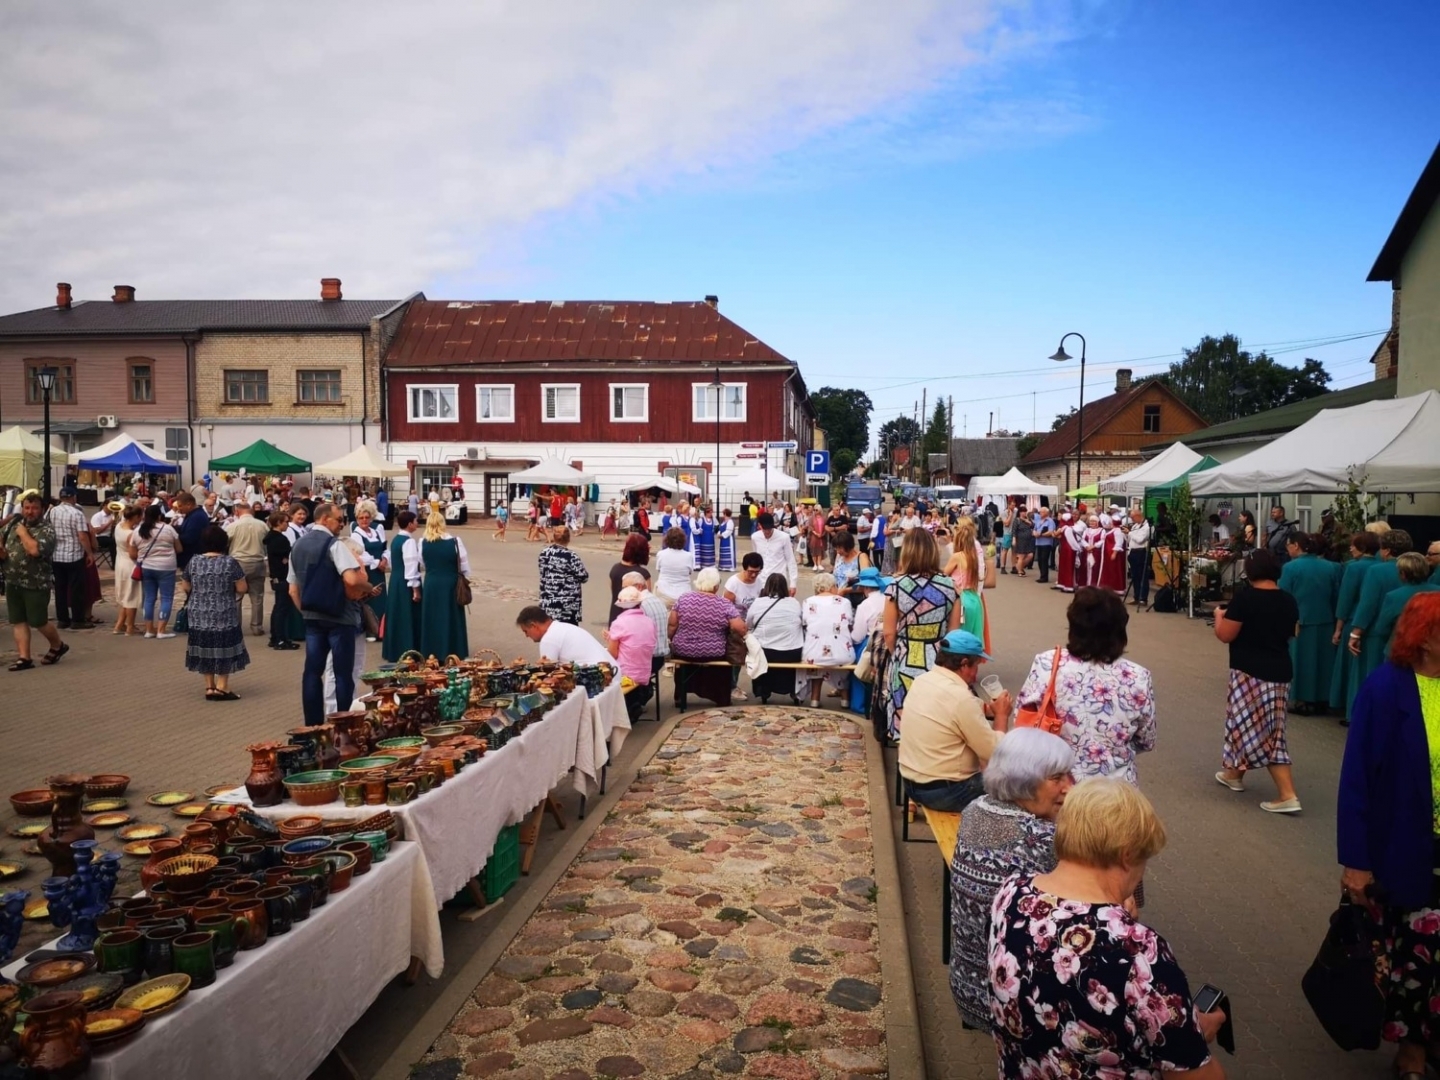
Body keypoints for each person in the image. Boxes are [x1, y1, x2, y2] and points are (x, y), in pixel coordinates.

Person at [988, 779, 1227, 1078]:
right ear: (1127, 855)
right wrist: (1193, 1035)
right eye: (1144, 860)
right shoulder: (1140, 952)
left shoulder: (1011, 893)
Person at [1338, 593, 1440, 1079]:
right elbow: (1357, 780)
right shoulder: (1386, 689)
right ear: (1425, 638)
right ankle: (1412, 1050)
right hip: (1407, 846)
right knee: (1415, 956)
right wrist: (1355, 860)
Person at [948, 728, 1075, 1029]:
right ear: (1025, 781)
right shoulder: (1045, 839)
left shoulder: (973, 809)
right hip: (1011, 1007)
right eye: (1057, 779)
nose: (1068, 788)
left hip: (966, 986)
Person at [1017, 587, 1156, 785]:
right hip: (1115, 789)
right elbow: (1146, 739)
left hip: (1056, 787)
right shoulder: (1138, 676)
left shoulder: (1047, 663)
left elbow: (1022, 717)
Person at [1213, 549, 1302, 812]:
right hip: (1280, 669)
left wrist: (1219, 617)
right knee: (1245, 722)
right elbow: (1291, 633)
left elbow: (1226, 635)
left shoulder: (1245, 599)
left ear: (1250, 571)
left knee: (1265, 730)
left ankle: (1287, 794)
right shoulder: (1288, 600)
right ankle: (1233, 774)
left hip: (1249, 671)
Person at [898, 628, 1011, 812]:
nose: (976, 672)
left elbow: (953, 706)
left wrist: (986, 709)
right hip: (945, 792)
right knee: (1016, 782)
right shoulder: (960, 697)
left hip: (912, 783)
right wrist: (1001, 716)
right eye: (976, 666)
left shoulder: (923, 680)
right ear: (964, 664)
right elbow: (994, 754)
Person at [289, 502, 370, 725]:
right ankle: (343, 725)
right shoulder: (334, 545)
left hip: (313, 618)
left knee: (312, 672)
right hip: (339, 617)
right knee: (343, 673)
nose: (341, 524)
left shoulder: (297, 545)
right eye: (338, 520)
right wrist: (368, 587)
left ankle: (313, 726)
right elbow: (352, 579)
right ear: (325, 519)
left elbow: (293, 589)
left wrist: (305, 612)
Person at [882, 527, 962, 741]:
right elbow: (954, 633)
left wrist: (897, 653)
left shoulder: (896, 586)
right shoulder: (950, 586)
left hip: (906, 657)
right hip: (938, 659)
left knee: (906, 721)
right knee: (936, 723)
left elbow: (889, 633)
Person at [1347, 529, 1417, 714]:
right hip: (1410, 632)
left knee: (1371, 675)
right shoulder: (1419, 568)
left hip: (1376, 633)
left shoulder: (1376, 571)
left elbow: (1367, 603)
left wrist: (1356, 632)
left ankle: (1365, 714)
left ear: (1385, 550)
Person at [181, 524, 249, 701]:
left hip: (198, 614)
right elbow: (242, 587)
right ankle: (222, 686)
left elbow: (186, 586)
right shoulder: (230, 562)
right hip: (223, 612)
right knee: (224, 648)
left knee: (205, 648)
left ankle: (209, 686)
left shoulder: (194, 561)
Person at [1, 493, 68, 669]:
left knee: (38, 621)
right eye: (27, 508)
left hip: (36, 583)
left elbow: (35, 551)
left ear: (42, 510)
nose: (30, 512)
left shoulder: (47, 530)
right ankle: (24, 658)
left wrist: (23, 533)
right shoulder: (13, 524)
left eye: (34, 508)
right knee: (18, 620)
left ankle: (58, 645)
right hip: (13, 581)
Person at [1277, 531, 1340, 715]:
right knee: (1323, 661)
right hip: (1325, 618)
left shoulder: (1291, 568)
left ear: (1295, 545)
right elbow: (1336, 595)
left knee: (1301, 661)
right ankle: (1323, 697)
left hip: (1300, 620)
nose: (1287, 550)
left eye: (1288, 546)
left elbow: (1284, 595)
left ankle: (1302, 699)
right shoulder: (1331, 567)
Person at [668, 567, 746, 707]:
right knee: (723, 663)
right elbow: (739, 628)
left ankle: (680, 695)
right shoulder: (724, 604)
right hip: (713, 652)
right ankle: (721, 698)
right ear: (716, 586)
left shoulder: (684, 599)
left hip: (684, 650)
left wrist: (670, 639)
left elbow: (672, 624)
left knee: (681, 664)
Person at [1327, 531, 1380, 721]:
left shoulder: (1353, 568)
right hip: (1376, 623)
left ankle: (1350, 710)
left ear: (1362, 548)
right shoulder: (1382, 566)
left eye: (1354, 545)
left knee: (1352, 671)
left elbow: (1345, 599)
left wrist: (1338, 627)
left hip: (1353, 620)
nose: (1350, 548)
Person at [415, 509, 470, 660]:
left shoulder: (422, 542)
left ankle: (432, 651)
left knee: (433, 617)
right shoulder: (454, 542)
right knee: (451, 616)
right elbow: (464, 566)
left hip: (432, 583)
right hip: (451, 583)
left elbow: (421, 563)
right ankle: (455, 649)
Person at [745, 572, 805, 705]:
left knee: (756, 648)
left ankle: (763, 690)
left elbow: (748, 624)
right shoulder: (794, 602)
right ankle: (793, 690)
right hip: (792, 652)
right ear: (785, 587)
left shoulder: (758, 602)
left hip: (766, 652)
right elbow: (802, 621)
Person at [798, 573, 854, 706]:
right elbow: (850, 624)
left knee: (816, 651)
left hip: (814, 655)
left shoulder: (808, 601)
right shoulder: (844, 602)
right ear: (832, 586)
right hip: (843, 655)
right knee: (840, 649)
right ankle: (845, 699)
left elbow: (805, 623)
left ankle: (815, 699)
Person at [130, 502, 183, 639]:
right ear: (159, 516)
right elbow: (179, 549)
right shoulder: (168, 529)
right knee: (166, 598)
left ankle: (149, 630)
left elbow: (132, 553)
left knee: (149, 598)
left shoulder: (138, 531)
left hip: (147, 567)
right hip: (166, 567)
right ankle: (161, 630)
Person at [606, 586, 658, 719]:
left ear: (622, 606)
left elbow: (613, 654)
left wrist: (609, 640)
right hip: (645, 671)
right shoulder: (649, 621)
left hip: (625, 674)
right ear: (640, 603)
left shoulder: (619, 623)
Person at [45, 485, 93, 630]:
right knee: (76, 589)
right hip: (74, 555)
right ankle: (78, 620)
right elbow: (82, 536)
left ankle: (62, 619)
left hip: (57, 555)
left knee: (60, 588)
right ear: (73, 497)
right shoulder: (76, 513)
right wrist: (89, 553)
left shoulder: (53, 511)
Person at [1372, 552, 1438, 658]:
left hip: (1402, 651)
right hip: (1432, 652)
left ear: (1403, 574)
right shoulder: (1437, 592)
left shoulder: (1394, 597)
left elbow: (1382, 629)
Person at [225, 500, 270, 638]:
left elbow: (225, 543)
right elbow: (267, 543)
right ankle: (257, 626)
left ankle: (236, 626)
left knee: (237, 596)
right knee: (257, 596)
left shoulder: (233, 526)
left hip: (238, 562)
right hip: (257, 561)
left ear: (237, 511)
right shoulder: (262, 525)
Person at [942, 517, 987, 649]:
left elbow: (944, 575)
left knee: (957, 637)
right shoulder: (974, 557)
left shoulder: (957, 556)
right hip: (974, 598)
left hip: (961, 599)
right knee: (972, 634)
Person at [516, 605, 613, 665]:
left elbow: (548, 672)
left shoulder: (549, 639)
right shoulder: (563, 627)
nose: (527, 636)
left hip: (601, 677)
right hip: (612, 671)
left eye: (526, 631)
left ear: (533, 626)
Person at [263, 510, 299, 651]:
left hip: (276, 577)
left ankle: (275, 637)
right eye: (285, 522)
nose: (287, 525)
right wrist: (286, 559)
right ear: (278, 523)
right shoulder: (280, 539)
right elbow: (287, 556)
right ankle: (281, 639)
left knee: (278, 607)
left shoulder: (271, 538)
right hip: (283, 577)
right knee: (282, 609)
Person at [352, 501, 388, 643]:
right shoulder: (356, 534)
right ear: (357, 519)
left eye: (367, 517)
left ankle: (382, 630)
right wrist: (377, 563)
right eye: (361, 518)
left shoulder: (375, 531)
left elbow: (385, 547)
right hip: (367, 572)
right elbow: (360, 554)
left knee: (381, 599)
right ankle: (370, 630)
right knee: (370, 599)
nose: (364, 520)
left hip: (380, 570)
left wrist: (385, 559)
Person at [111, 504, 143, 636]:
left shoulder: (119, 526)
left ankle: (119, 624)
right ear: (135, 517)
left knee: (124, 594)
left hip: (120, 562)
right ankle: (130, 626)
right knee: (131, 595)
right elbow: (133, 554)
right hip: (130, 564)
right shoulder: (131, 534)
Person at [750, 512, 798, 596]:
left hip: (779, 581)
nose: (767, 531)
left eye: (770, 528)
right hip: (761, 581)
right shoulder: (755, 537)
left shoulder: (784, 537)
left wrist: (793, 583)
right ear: (759, 526)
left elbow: (791, 560)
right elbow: (756, 559)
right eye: (765, 529)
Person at [608, 533, 651, 623]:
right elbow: (647, 599)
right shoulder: (643, 574)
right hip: (635, 621)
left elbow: (614, 591)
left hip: (615, 617)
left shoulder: (614, 569)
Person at [654, 527, 695, 603]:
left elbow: (658, 570)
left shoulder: (661, 554)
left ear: (666, 539)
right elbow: (689, 572)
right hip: (683, 595)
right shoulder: (688, 556)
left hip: (663, 593)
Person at [1124, 507, 1152, 606]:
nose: (1132, 520)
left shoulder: (1147, 527)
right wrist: (1127, 534)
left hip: (1141, 552)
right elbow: (1131, 539)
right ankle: (1136, 597)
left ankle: (1143, 598)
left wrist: (1130, 533)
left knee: (1142, 576)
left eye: (1132, 517)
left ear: (1138, 516)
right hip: (1133, 552)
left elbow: (1140, 540)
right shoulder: (1136, 525)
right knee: (1135, 576)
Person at [1054, 512, 1079, 593]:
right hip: (1068, 549)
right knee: (1066, 567)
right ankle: (1065, 584)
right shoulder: (1070, 528)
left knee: (1067, 567)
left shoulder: (1065, 528)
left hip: (1067, 549)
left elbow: (1056, 535)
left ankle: (1068, 585)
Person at [1031, 505, 1056, 584]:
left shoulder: (1050, 521)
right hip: (1038, 543)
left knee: (1044, 559)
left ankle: (1044, 577)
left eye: (1042, 512)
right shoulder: (1038, 521)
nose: (1040, 513)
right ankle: (1042, 575)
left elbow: (1051, 532)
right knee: (1040, 560)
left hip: (1046, 543)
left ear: (1046, 513)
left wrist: (1041, 535)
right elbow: (1034, 529)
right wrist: (1035, 533)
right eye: (1040, 512)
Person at [1009, 502, 1034, 576]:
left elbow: (1033, 525)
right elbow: (1014, 530)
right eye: (1023, 511)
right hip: (1020, 540)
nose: (1024, 513)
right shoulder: (1017, 520)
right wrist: (1014, 539)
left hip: (1028, 540)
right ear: (1020, 512)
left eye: (1025, 511)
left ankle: (1019, 567)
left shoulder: (1027, 519)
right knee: (1021, 556)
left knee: (1030, 555)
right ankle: (1020, 571)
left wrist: (1027, 521)